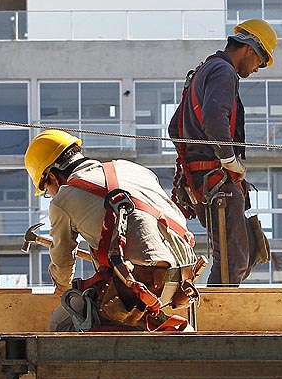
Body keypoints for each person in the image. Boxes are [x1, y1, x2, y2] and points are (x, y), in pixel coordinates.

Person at [24, 129, 201, 332]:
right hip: (185, 279)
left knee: (60, 322)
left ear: (52, 177)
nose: (50, 194)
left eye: (46, 190)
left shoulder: (64, 198)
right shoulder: (131, 168)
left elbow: (63, 265)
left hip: (145, 285)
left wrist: (63, 291)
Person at [169, 18, 277, 286]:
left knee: (248, 248)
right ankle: (214, 321)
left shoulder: (203, 71)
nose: (257, 69)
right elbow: (215, 118)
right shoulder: (223, 72)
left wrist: (194, 163)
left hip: (205, 182)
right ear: (250, 49)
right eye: (260, 62)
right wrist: (229, 161)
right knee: (233, 261)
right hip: (218, 183)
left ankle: (214, 313)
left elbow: (175, 127)